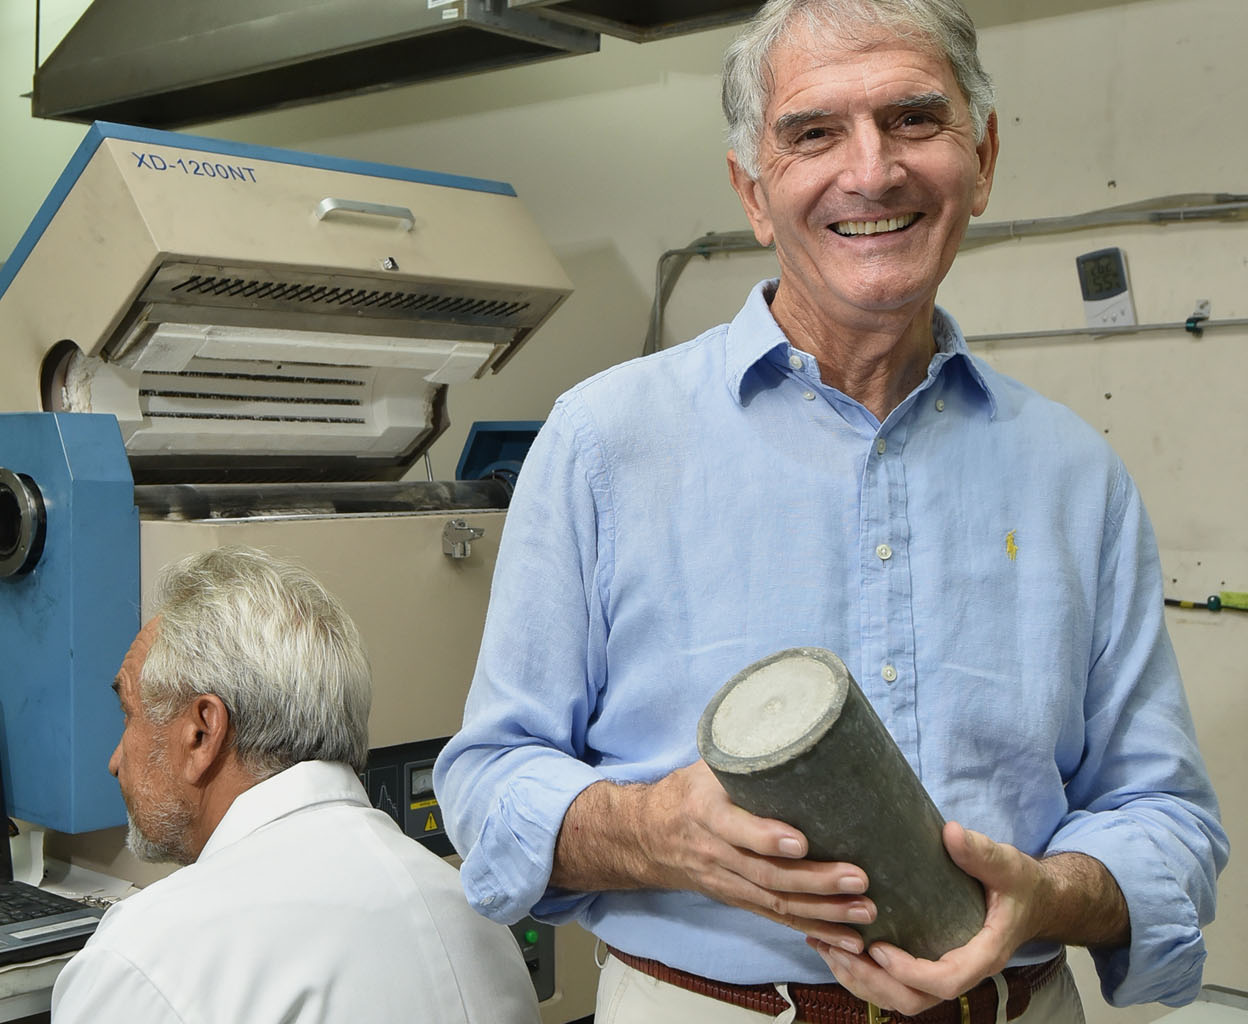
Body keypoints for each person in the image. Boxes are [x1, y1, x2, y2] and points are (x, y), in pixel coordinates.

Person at [433, 1, 1228, 1021]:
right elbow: (491, 783)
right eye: (814, 132)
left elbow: (1165, 819)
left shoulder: (1077, 474)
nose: (873, 170)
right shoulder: (602, 442)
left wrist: (1046, 896)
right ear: (753, 192)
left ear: (980, 159)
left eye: (913, 119)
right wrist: (654, 827)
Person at [50, 547, 541, 1024]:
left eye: (128, 716)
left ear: (201, 733)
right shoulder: (477, 917)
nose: (116, 760)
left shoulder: (146, 964)